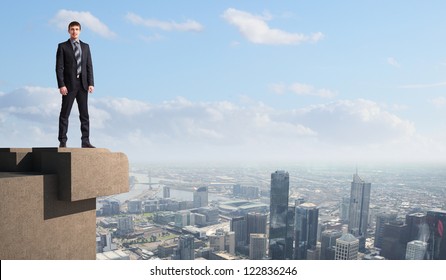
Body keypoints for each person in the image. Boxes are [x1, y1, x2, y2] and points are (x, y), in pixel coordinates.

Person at [56, 21, 95, 148]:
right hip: (69, 85)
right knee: (64, 114)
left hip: (83, 85)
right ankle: (62, 141)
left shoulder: (86, 46)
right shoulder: (62, 46)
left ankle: (85, 141)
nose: (74, 31)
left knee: (84, 114)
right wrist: (61, 85)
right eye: (72, 29)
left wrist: (91, 83)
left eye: (77, 29)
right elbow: (59, 68)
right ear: (68, 31)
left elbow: (89, 66)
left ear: (80, 31)